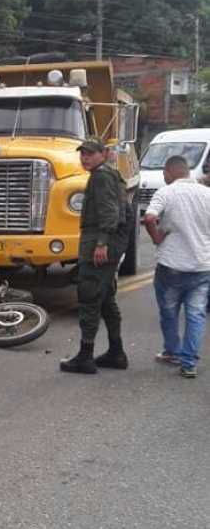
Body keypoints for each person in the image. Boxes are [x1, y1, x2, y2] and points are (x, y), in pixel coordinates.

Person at [60, 137, 129, 375]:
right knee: (106, 299)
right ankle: (116, 352)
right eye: (82, 154)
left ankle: (85, 357)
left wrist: (101, 244)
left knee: (89, 298)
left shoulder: (101, 176)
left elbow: (110, 213)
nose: (84, 157)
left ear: (103, 153)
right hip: (109, 245)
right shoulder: (109, 174)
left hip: (99, 247)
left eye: (90, 153)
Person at [144, 154, 210, 378]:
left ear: (170, 172)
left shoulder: (166, 192)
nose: (163, 177)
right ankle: (189, 363)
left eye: (164, 174)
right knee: (196, 315)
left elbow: (150, 218)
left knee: (169, 312)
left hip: (171, 266)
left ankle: (172, 351)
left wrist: (156, 238)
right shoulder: (207, 193)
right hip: (202, 266)